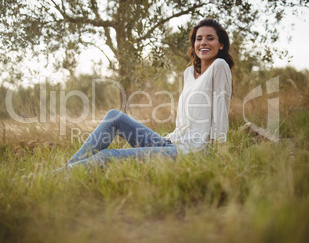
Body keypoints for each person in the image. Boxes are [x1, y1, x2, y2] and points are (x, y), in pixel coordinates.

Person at [61, 18, 234, 170]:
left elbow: (220, 112)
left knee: (107, 156)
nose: (203, 42)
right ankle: (67, 169)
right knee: (114, 116)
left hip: (191, 152)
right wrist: (166, 142)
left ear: (221, 45)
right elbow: (185, 124)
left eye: (210, 38)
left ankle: (57, 176)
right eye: (199, 39)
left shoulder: (219, 66)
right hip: (171, 143)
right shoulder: (189, 73)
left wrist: (220, 153)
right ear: (194, 45)